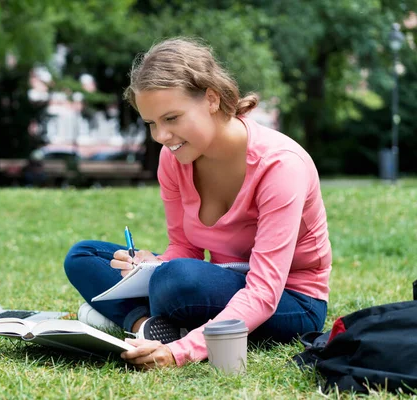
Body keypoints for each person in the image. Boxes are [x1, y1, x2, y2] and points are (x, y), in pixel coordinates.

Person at [64, 37, 332, 369]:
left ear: (211, 99)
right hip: (212, 282)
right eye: (151, 124)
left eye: (171, 118)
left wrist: (180, 352)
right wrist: (151, 264)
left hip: (289, 301)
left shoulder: (280, 166)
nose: (161, 136)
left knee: (177, 282)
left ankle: (160, 327)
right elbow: (184, 246)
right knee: (84, 256)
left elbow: (264, 290)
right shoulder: (173, 159)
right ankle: (144, 326)